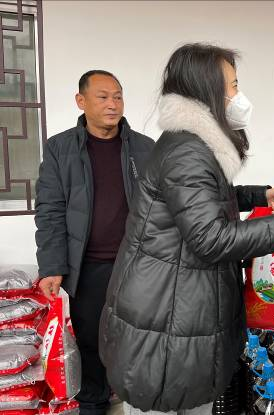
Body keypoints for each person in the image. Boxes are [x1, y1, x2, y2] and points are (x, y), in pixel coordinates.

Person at [98, 43, 274, 415]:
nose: (238, 96)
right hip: (166, 314)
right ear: (206, 90)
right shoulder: (188, 152)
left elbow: (202, 199)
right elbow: (210, 238)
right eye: (233, 85)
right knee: (169, 402)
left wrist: (257, 195)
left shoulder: (190, 144)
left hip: (175, 305)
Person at [35, 70, 155, 415]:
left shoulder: (145, 149)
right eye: (102, 97)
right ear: (81, 101)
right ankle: (93, 403)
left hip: (137, 265)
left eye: (118, 96)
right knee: (91, 341)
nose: (112, 104)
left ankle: (139, 401)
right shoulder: (60, 149)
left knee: (139, 339)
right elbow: (50, 210)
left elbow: (171, 200)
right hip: (88, 267)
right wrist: (52, 266)